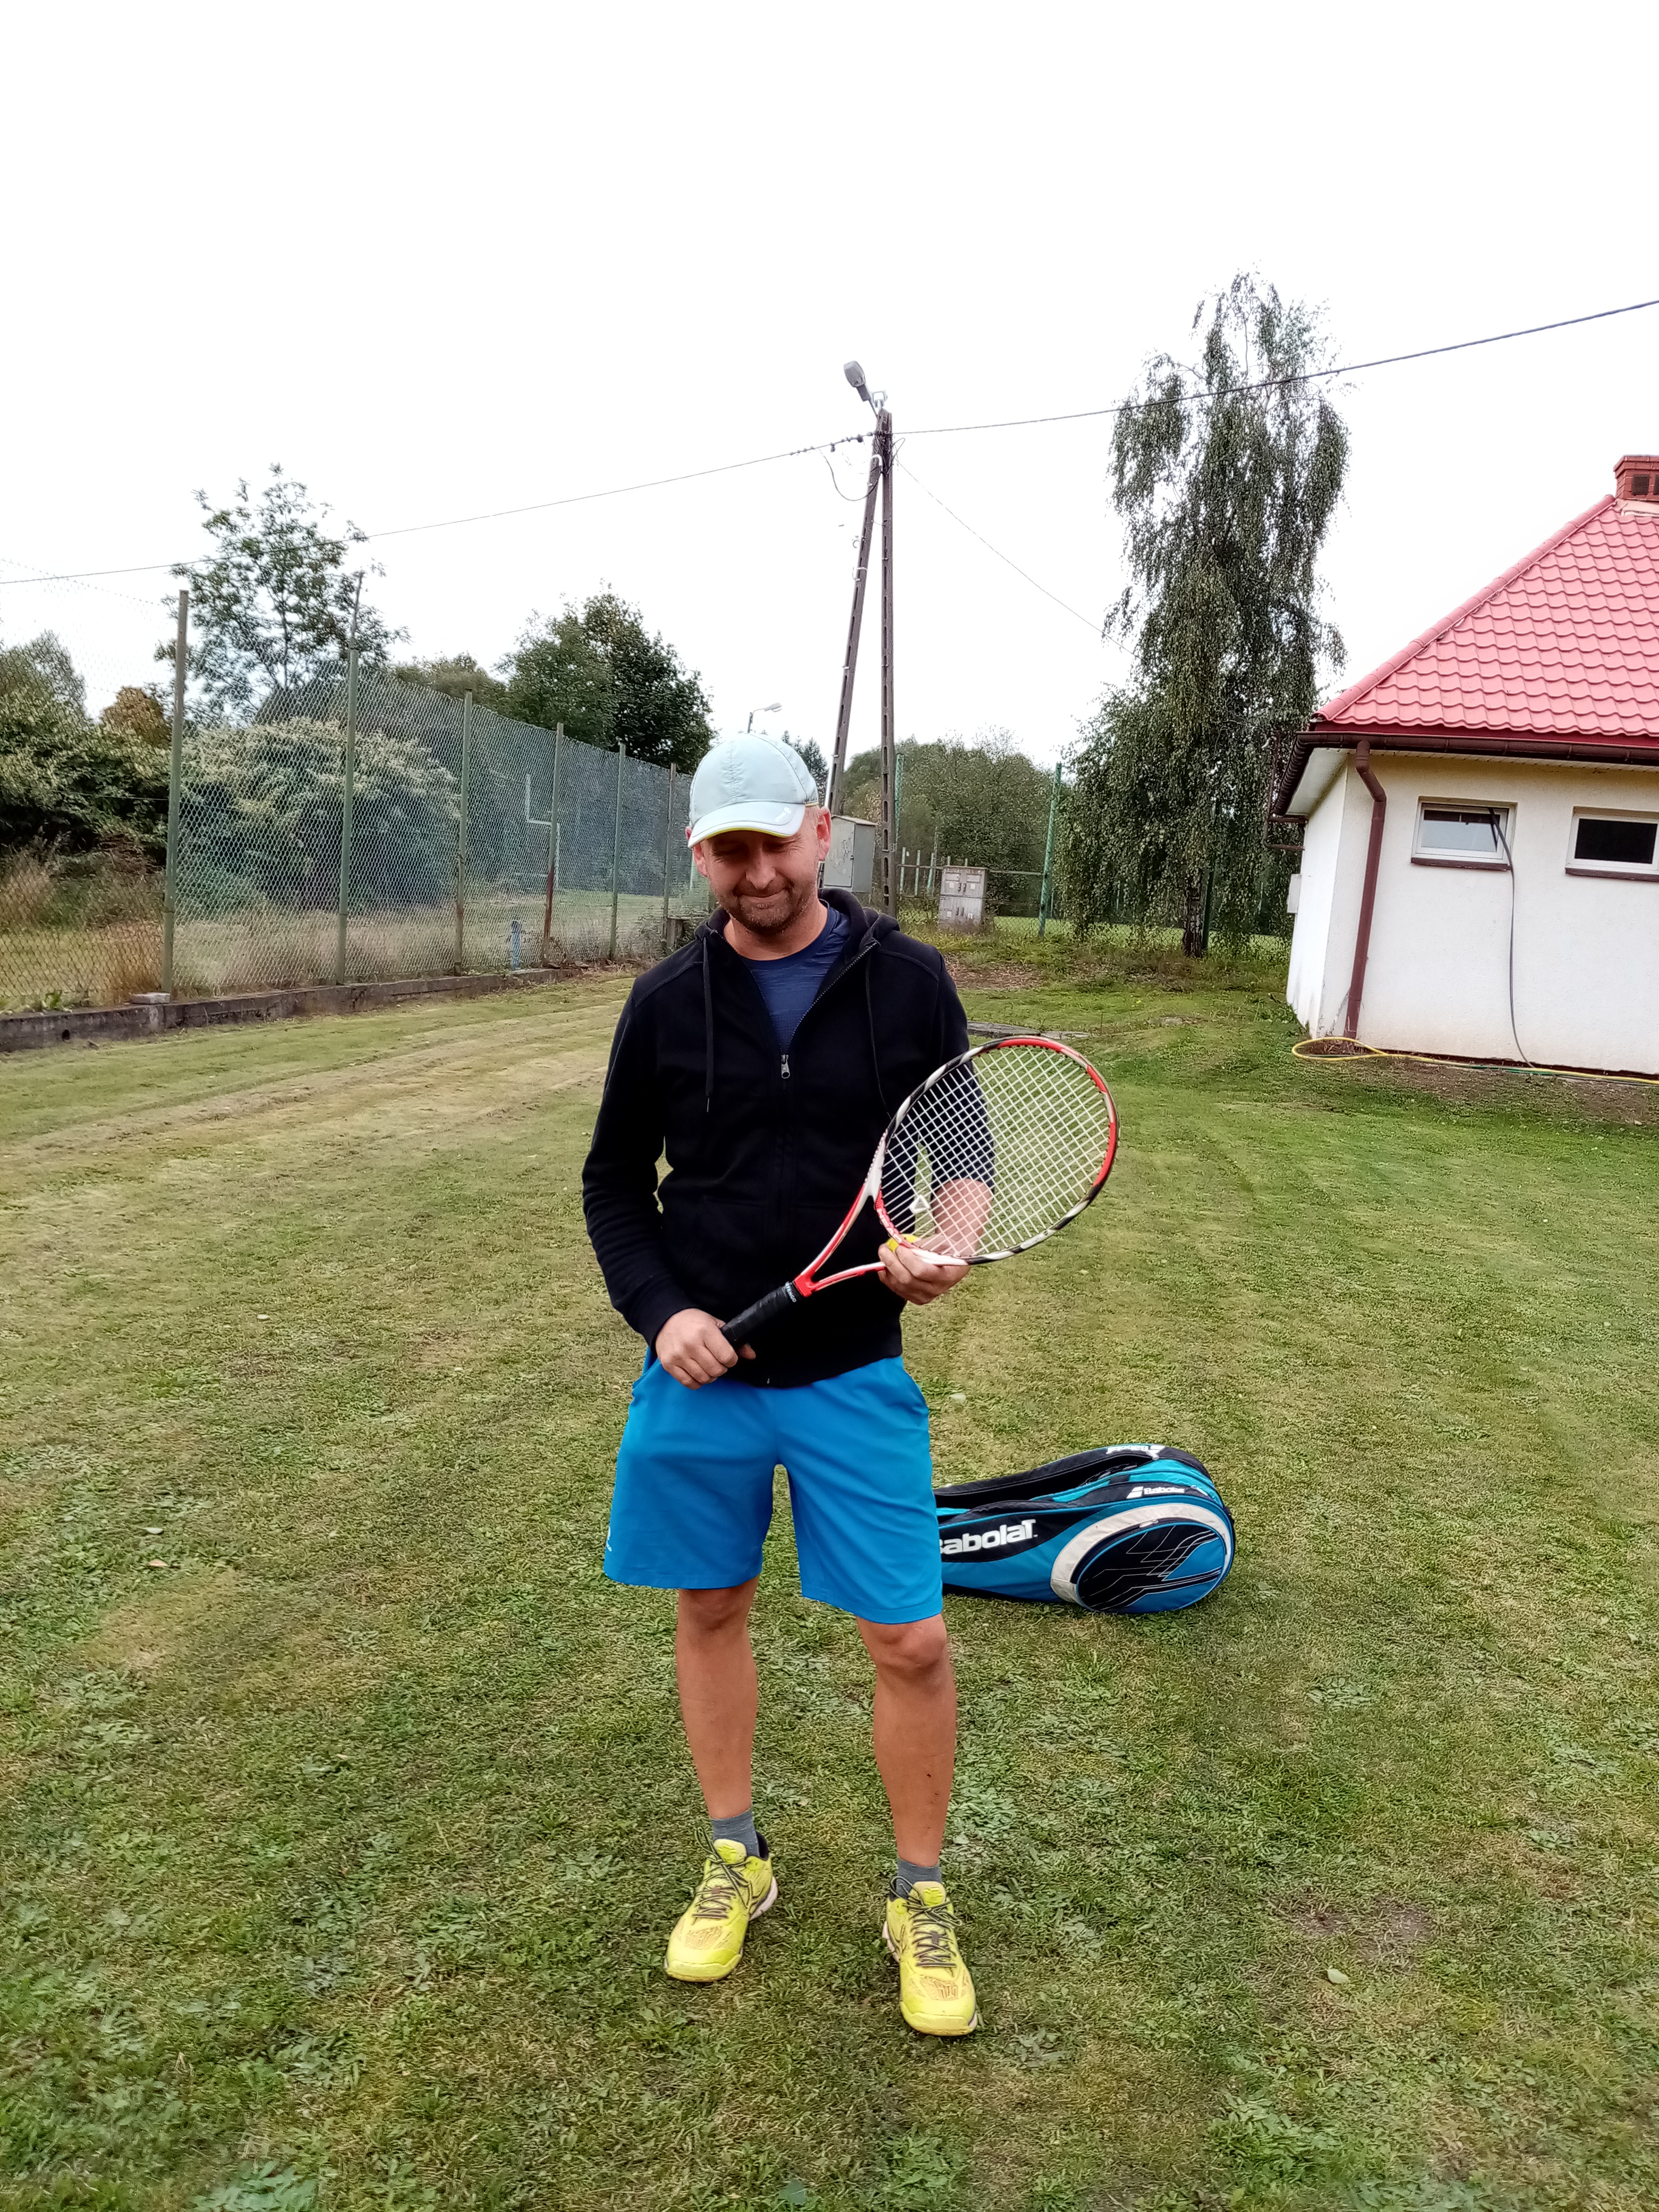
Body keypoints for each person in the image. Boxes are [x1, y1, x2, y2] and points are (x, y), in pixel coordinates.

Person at [582, 731, 979, 2037]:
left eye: (775, 843)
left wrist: (949, 1242)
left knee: (911, 1640)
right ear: (702, 856)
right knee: (710, 1606)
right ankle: (735, 1855)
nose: (757, 872)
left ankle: (920, 1895)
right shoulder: (665, 1002)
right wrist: (665, 1314)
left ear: (821, 832)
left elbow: (963, 1147)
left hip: (851, 1366)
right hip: (704, 1378)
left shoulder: (910, 983)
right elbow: (613, 1186)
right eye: (729, 850)